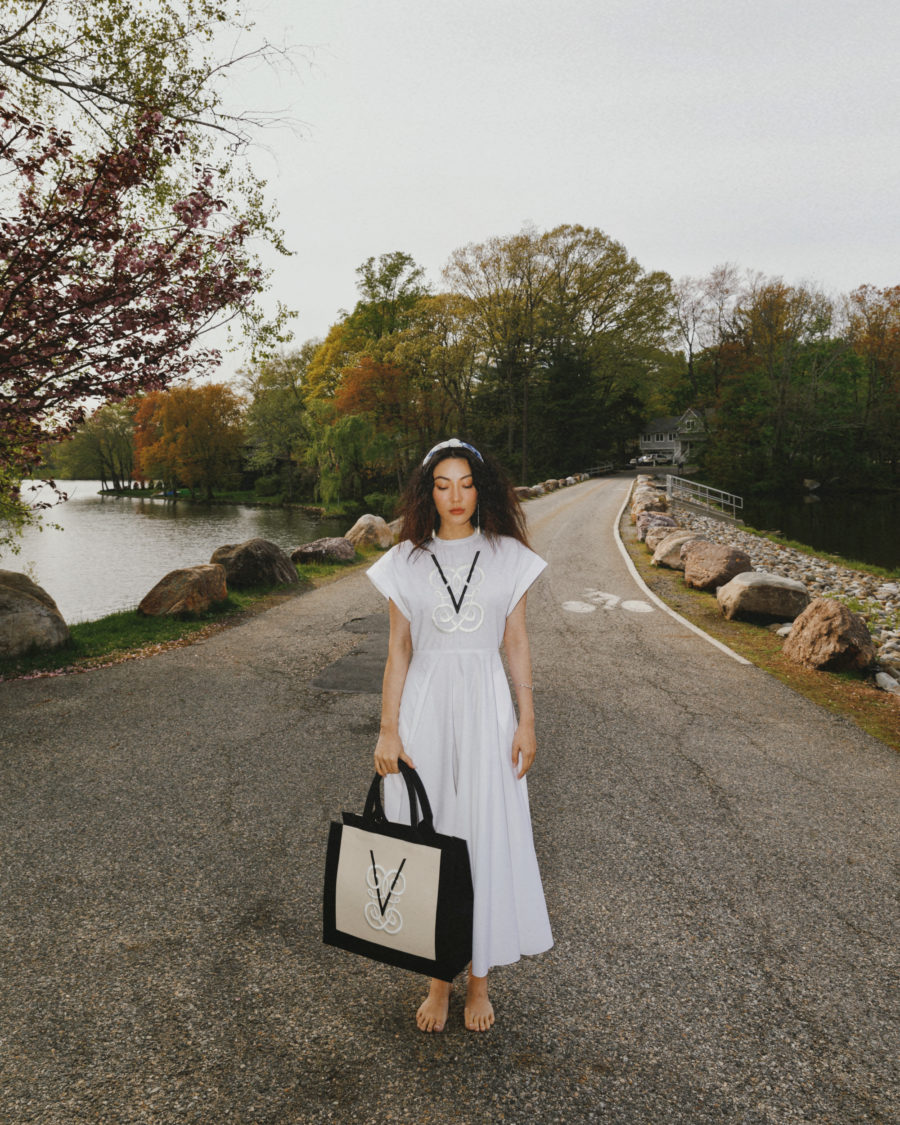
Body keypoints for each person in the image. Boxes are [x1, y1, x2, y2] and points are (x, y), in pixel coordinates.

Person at [366, 437, 553, 1032]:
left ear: (482, 488)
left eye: (465, 483)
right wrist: (387, 730)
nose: (455, 496)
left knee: (482, 836)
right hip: (425, 710)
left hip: (486, 711)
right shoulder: (405, 561)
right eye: (443, 485)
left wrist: (527, 718)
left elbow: (516, 641)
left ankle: (479, 981)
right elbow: (398, 650)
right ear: (427, 493)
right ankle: (437, 981)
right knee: (432, 837)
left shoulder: (508, 556)